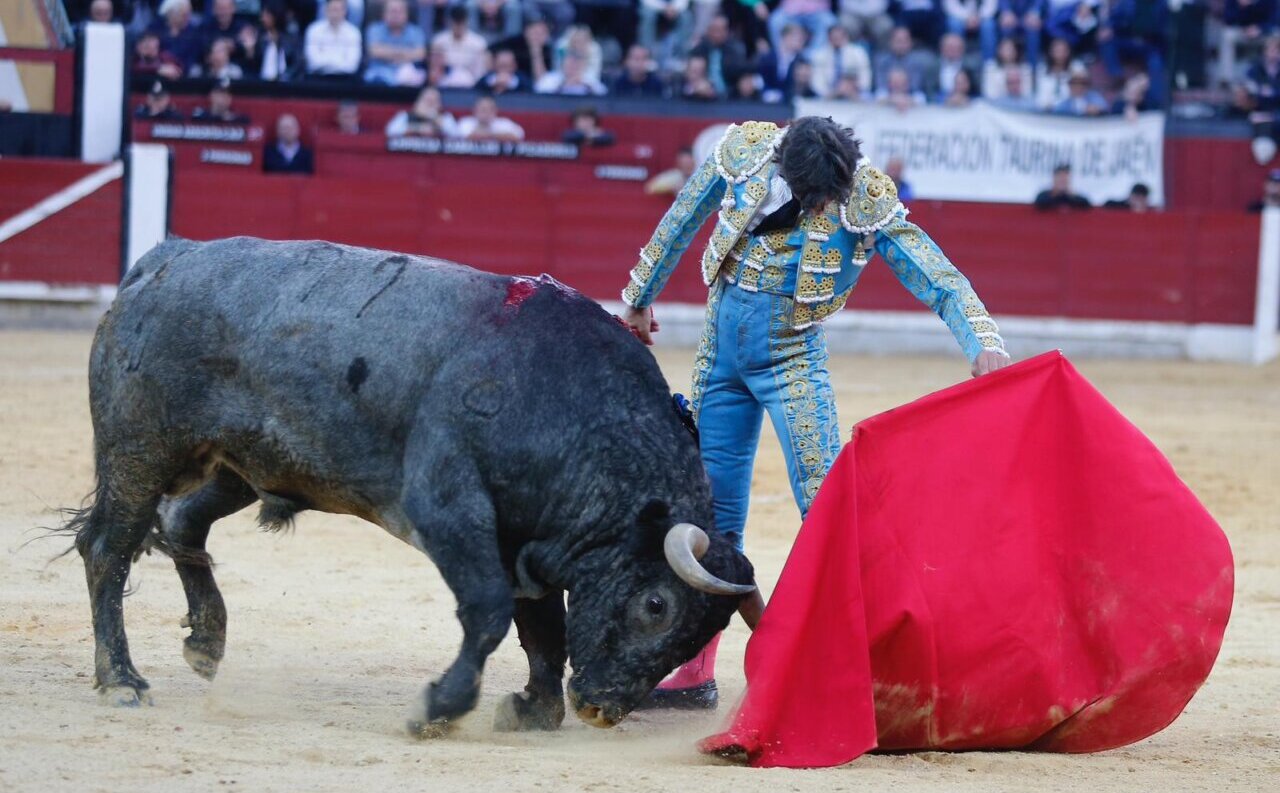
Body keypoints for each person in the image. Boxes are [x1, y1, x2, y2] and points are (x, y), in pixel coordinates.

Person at [620, 118, 1010, 708]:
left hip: (792, 357)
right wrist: (638, 297)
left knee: (826, 503)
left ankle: (857, 662)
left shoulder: (864, 193)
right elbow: (682, 218)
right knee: (712, 514)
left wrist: (982, 339)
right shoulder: (748, 151)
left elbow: (935, 274)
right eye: (814, 196)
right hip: (720, 353)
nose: (822, 206)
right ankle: (695, 669)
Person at [364, 0, 428, 86]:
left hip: (408, 75)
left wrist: (388, 53)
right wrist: (406, 54)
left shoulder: (416, 32)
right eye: (392, 11)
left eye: (399, 12)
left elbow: (420, 54)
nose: (396, 15)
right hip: (379, 74)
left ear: (407, 14)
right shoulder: (374, 29)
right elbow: (374, 51)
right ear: (384, 14)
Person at [809, 24, 872, 100]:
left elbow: (865, 75)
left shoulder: (858, 53)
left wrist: (858, 89)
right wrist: (830, 93)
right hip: (828, 96)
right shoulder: (820, 55)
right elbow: (817, 81)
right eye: (834, 37)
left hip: (855, 94)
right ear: (829, 38)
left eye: (839, 37)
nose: (837, 39)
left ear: (846, 37)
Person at [432, 5, 489, 83]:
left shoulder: (478, 43)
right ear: (449, 21)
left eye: (461, 22)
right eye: (456, 23)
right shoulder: (439, 41)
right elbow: (435, 68)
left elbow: (480, 72)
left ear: (467, 21)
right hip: (444, 81)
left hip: (470, 82)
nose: (458, 26)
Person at [305, 0, 363, 78]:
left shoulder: (353, 32)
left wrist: (327, 62)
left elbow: (352, 65)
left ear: (345, 11)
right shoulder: (314, 30)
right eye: (332, 10)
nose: (335, 14)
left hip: (345, 79)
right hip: (318, 77)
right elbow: (313, 62)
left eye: (338, 10)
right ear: (325, 10)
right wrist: (338, 62)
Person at [385, 85, 460, 137]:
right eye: (427, 100)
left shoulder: (446, 118)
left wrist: (434, 118)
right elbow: (390, 131)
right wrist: (418, 128)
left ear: (440, 104)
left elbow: (456, 135)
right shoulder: (405, 115)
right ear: (418, 102)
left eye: (433, 102)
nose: (429, 105)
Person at [455, 95, 524, 141]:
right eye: (483, 109)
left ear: (495, 110)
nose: (486, 112)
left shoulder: (504, 123)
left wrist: (487, 134)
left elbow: (518, 136)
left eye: (490, 109)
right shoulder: (465, 122)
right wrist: (500, 136)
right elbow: (467, 136)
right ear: (475, 110)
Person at [534, 52, 608, 95]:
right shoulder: (551, 79)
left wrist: (585, 85)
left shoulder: (590, 80)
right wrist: (564, 84)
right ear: (562, 65)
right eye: (569, 64)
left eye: (576, 65)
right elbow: (539, 92)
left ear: (582, 67)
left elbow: (603, 94)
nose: (572, 67)